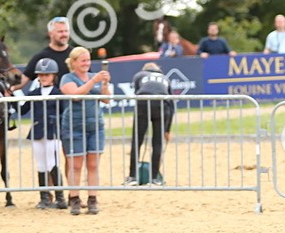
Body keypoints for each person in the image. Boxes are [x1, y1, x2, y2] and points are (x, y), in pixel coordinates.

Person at [59, 46, 112, 215]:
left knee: (93, 164)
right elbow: (75, 94)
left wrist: (104, 84)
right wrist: (93, 81)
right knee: (75, 165)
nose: (86, 63)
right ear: (73, 62)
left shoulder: (93, 77)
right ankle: (74, 199)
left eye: (88, 60)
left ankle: (92, 199)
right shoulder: (67, 78)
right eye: (83, 60)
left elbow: (105, 99)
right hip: (74, 127)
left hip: (95, 126)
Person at [20, 58, 67, 209]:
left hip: (53, 131)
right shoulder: (33, 93)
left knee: (52, 162)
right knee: (41, 164)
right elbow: (23, 110)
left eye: (47, 75)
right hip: (38, 130)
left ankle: (60, 197)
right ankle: (44, 197)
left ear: (53, 75)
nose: (43, 77)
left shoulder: (59, 93)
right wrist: (12, 97)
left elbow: (64, 112)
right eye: (40, 75)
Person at [124, 62, 175, 186]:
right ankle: (154, 178)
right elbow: (171, 102)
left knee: (137, 141)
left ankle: (132, 177)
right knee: (157, 143)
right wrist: (167, 130)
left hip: (143, 103)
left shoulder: (139, 75)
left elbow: (137, 93)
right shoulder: (165, 78)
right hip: (162, 106)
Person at [19, 16, 71, 89]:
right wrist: (9, 89)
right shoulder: (41, 57)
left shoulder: (76, 55)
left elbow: (87, 78)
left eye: (66, 31)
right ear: (50, 34)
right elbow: (23, 80)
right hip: (51, 100)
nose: (64, 34)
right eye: (60, 31)